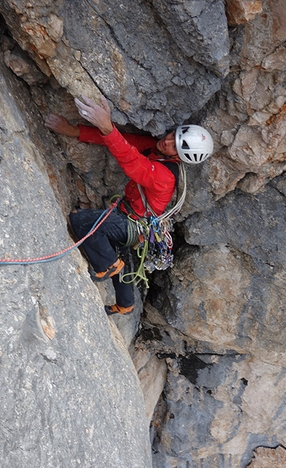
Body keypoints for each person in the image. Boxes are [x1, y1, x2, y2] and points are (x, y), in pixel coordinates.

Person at [45, 95, 214, 315]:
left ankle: (107, 265)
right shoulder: (158, 151)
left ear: (180, 159)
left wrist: (107, 127)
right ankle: (125, 305)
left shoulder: (165, 176)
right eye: (174, 135)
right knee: (120, 258)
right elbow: (125, 141)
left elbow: (132, 162)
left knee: (81, 220)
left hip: (132, 225)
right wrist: (74, 131)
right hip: (135, 223)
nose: (168, 141)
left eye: (176, 147)